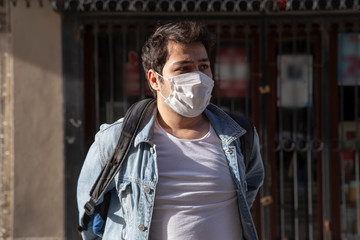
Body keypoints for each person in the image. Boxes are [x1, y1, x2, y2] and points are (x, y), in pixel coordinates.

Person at [77, 21, 264, 240]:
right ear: (154, 80)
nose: (198, 77)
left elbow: (248, 190)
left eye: (204, 66)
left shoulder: (239, 135)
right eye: (183, 68)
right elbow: (89, 219)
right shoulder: (117, 140)